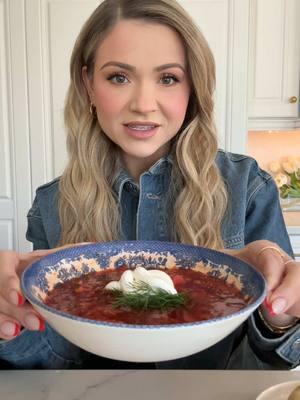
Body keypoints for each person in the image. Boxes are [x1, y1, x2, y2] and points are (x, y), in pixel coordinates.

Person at [0, 0, 299, 370]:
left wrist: (280, 316)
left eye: (168, 78)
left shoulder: (248, 188)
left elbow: (264, 368)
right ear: (88, 85)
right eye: (119, 77)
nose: (143, 104)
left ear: (193, 90)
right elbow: (53, 362)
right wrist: (11, 322)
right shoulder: (52, 204)